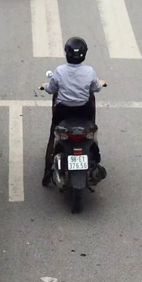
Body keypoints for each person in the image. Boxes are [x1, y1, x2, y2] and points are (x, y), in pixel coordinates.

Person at [41, 37, 107, 187]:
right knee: (92, 132)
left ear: (66, 54)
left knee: (53, 137)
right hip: (84, 113)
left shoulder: (59, 71)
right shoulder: (89, 72)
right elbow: (96, 87)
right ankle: (94, 156)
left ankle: (46, 174)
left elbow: (51, 89)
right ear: (84, 54)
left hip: (63, 113)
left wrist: (44, 86)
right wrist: (102, 83)